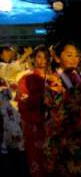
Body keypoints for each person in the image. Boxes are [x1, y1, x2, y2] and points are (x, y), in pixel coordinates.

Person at [43, 41, 81, 176]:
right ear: (56, 58)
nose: (74, 59)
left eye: (76, 55)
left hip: (76, 134)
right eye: (69, 55)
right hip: (62, 135)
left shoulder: (76, 76)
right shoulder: (53, 80)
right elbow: (59, 107)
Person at [16, 45, 50, 177]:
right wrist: (41, 98)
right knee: (36, 156)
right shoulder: (25, 77)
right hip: (34, 123)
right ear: (34, 59)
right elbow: (22, 103)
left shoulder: (55, 76)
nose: (42, 60)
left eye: (46, 57)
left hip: (53, 123)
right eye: (39, 57)